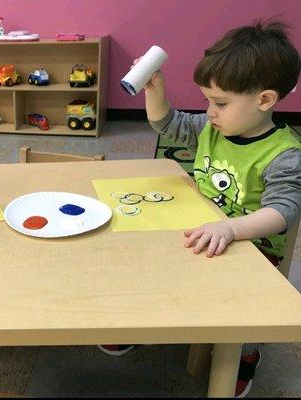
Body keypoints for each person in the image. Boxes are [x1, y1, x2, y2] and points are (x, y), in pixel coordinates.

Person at [99, 19, 301, 398]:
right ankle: (144, 326)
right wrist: (154, 90)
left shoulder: (284, 154)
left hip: (251, 249)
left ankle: (245, 352)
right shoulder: (213, 128)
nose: (209, 111)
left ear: (265, 100)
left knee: (243, 307)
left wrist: (231, 229)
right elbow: (167, 124)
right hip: (201, 229)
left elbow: (283, 211)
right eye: (208, 100)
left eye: (220, 102)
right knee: (139, 258)